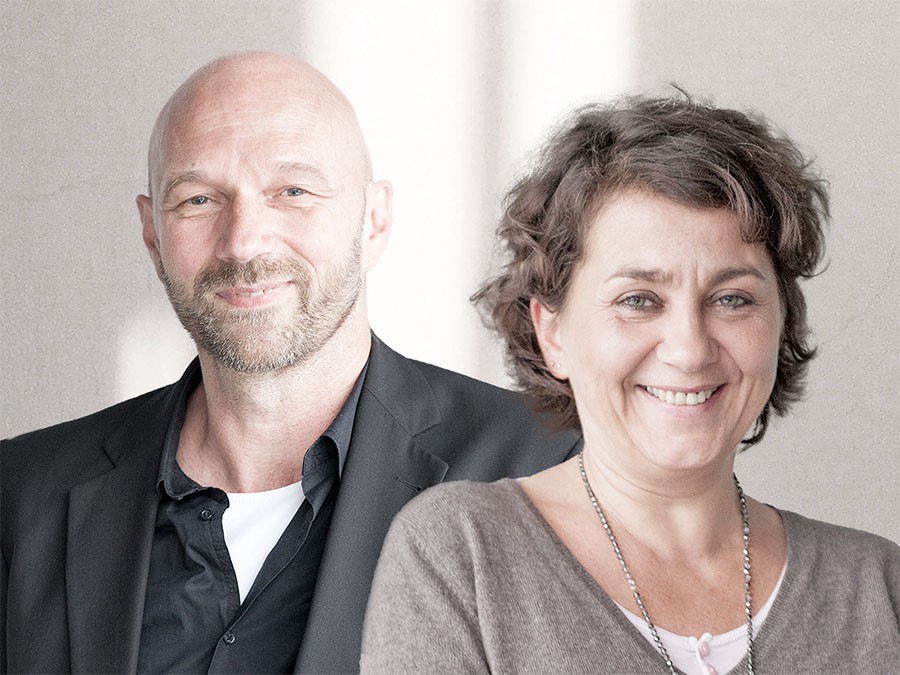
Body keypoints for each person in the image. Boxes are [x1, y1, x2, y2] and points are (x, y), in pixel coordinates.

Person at [0, 52, 581, 674]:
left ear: (374, 220)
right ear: (153, 235)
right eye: (199, 199)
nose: (244, 241)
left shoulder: (548, 474)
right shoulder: (22, 495)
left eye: (293, 191)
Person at [361, 95, 900, 674]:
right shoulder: (460, 556)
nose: (689, 349)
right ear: (553, 332)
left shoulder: (877, 589)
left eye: (732, 299)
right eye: (638, 300)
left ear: (782, 321)